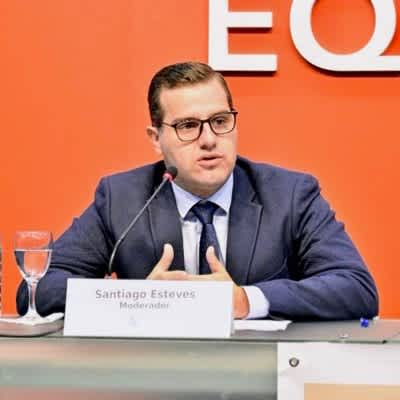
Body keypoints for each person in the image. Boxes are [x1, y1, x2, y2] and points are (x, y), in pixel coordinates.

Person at [17, 61, 378, 320]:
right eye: (188, 126)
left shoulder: (290, 195)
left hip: (267, 382)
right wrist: (135, 299)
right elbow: (37, 289)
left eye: (220, 121)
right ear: (156, 138)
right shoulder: (122, 198)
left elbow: (356, 288)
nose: (209, 140)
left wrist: (246, 301)